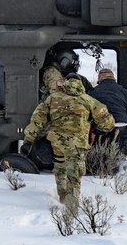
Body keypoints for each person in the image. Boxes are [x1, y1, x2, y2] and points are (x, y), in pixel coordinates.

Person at [20, 72, 114, 205]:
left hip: (57, 143)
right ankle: (72, 205)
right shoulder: (88, 100)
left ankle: (62, 197)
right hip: (77, 144)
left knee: (60, 168)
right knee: (75, 173)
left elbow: (37, 120)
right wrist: (100, 129)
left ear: (65, 82)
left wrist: (28, 140)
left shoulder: (52, 99)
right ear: (80, 84)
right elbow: (108, 122)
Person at [87, 63, 127, 151]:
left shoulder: (92, 92)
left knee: (102, 153)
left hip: (102, 128)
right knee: (119, 151)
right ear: (113, 79)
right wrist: (124, 117)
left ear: (99, 80)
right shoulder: (125, 90)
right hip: (122, 126)